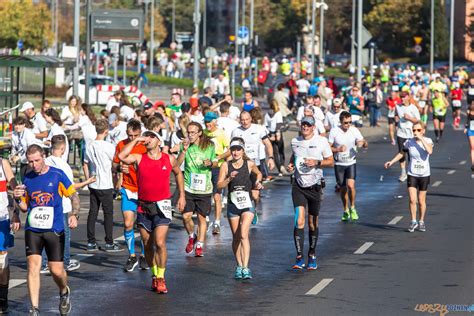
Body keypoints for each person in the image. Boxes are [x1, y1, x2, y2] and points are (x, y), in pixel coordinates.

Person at [13, 144, 80, 315]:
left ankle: (64, 291)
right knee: (33, 266)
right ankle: (34, 309)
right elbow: (24, 207)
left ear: (43, 156)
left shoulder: (57, 174)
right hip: (33, 229)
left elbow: (74, 195)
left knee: (56, 270)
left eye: (37, 160)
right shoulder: (27, 177)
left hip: (55, 228)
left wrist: (74, 214)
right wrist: (18, 198)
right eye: (30, 162)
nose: (34, 165)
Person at [119, 130, 185, 294]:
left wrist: (181, 195)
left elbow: (178, 174)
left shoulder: (168, 158)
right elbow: (122, 156)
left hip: (162, 206)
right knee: (148, 245)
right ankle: (155, 275)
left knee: (160, 242)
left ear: (159, 141)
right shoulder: (139, 158)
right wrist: (137, 141)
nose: (147, 139)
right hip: (144, 206)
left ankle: (161, 277)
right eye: (145, 136)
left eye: (151, 137)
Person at [287, 116, 334, 269]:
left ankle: (312, 254)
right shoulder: (295, 141)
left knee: (312, 223)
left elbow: (331, 161)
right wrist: (290, 166)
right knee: (299, 220)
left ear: (314, 127)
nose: (305, 127)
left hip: (315, 186)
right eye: (303, 124)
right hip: (298, 186)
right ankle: (299, 257)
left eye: (309, 125)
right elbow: (294, 157)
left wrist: (316, 162)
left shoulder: (321, 141)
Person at [217, 137, 263, 280]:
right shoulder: (225, 166)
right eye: (233, 150)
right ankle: (239, 266)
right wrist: (229, 179)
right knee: (236, 237)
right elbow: (219, 186)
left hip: (247, 203)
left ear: (243, 151)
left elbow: (259, 174)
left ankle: (246, 267)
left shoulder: (249, 164)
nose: (235, 153)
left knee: (244, 234)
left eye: (238, 150)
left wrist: (257, 183)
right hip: (233, 204)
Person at [112, 120, 148, 272]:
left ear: (140, 133)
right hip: (128, 189)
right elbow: (114, 166)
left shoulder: (146, 145)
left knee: (144, 227)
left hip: (144, 190)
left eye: (136, 135)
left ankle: (144, 255)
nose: (132, 138)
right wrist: (120, 168)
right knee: (128, 224)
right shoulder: (122, 145)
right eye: (130, 135)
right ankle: (132, 255)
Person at [384, 122, 433, 232]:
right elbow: (402, 153)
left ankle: (421, 221)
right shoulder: (408, 142)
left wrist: (421, 138)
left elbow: (430, 151)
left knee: (421, 200)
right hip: (412, 174)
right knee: (412, 199)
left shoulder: (428, 141)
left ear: (423, 131)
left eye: (418, 130)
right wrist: (391, 162)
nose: (416, 132)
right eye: (414, 130)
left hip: (424, 175)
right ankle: (413, 221)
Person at [83, 119, 123, 252]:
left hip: (94, 183)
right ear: (106, 131)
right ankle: (109, 242)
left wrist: (88, 179)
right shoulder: (109, 146)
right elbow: (116, 163)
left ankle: (90, 242)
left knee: (92, 213)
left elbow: (85, 163)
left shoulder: (89, 145)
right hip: (105, 184)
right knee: (108, 214)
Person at [177, 122, 216, 257]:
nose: (190, 135)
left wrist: (210, 163)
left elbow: (215, 162)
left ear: (200, 133)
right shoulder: (185, 145)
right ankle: (191, 236)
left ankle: (199, 245)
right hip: (189, 187)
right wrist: (184, 150)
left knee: (201, 218)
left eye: (193, 132)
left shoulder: (209, 145)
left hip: (204, 188)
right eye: (188, 132)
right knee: (186, 216)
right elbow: (177, 164)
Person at [231, 112, 275, 223]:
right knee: (241, 191)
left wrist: (270, 158)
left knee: (255, 195)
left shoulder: (259, 129)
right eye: (242, 120)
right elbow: (230, 149)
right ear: (239, 120)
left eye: (247, 119)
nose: (245, 122)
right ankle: (245, 213)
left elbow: (268, 144)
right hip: (240, 166)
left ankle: (253, 210)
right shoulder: (236, 131)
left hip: (255, 165)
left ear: (251, 119)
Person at [328, 111, 368, 221]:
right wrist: (337, 149)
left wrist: (363, 144)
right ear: (341, 122)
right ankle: (345, 209)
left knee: (351, 186)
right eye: (346, 123)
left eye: (350, 122)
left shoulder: (354, 130)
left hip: (351, 162)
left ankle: (353, 207)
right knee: (343, 188)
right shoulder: (334, 131)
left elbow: (364, 142)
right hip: (339, 164)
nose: (348, 125)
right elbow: (328, 147)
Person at [204, 112, 230, 235]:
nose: (207, 124)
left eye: (209, 121)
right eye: (205, 121)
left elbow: (230, 149)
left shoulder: (221, 133)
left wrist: (219, 157)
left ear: (215, 121)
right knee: (205, 194)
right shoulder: (203, 133)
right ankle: (206, 218)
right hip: (205, 168)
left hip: (217, 168)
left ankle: (217, 222)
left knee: (217, 196)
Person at [0, 159, 20, 314]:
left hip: (2, 218)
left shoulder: (2, 163)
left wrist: (15, 214)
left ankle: (3, 299)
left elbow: (16, 190)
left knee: (2, 261)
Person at [395, 91, 420, 182]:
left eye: (404, 97)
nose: (402, 99)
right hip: (401, 133)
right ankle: (403, 172)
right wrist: (396, 123)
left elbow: (417, 121)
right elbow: (396, 115)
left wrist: (409, 118)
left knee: (411, 153)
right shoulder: (398, 106)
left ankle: (411, 172)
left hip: (411, 133)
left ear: (408, 97)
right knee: (401, 153)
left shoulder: (413, 108)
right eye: (401, 97)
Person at [264, 100, 286, 176]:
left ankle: (279, 169)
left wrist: (269, 136)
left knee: (275, 153)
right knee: (280, 150)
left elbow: (266, 125)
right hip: (277, 133)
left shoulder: (267, 114)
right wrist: (278, 134)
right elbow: (279, 124)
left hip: (270, 133)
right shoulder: (278, 113)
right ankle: (282, 165)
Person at [465, 101, 474, 171]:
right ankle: (473, 164)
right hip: (470, 130)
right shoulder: (469, 112)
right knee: (472, 147)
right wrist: (465, 128)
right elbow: (467, 121)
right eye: (472, 104)